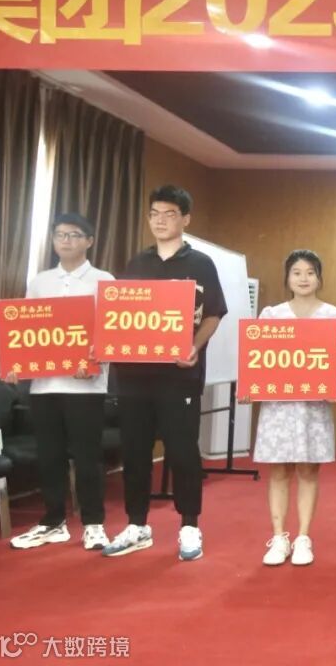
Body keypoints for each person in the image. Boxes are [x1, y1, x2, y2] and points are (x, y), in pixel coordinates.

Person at [103, 185, 227, 561]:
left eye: (169, 214)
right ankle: (137, 524)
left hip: (179, 376)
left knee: (182, 450)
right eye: (154, 213)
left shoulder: (201, 263)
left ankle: (189, 525)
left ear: (185, 219)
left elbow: (214, 314)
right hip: (134, 376)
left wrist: (195, 346)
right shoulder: (137, 263)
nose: (160, 220)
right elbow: (121, 317)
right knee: (135, 451)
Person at [4, 213, 114, 551]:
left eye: (74, 235)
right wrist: (15, 364)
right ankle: (54, 521)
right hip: (44, 386)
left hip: (85, 387)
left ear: (89, 241)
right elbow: (27, 330)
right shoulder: (40, 282)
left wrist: (96, 358)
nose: (66, 241)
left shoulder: (104, 280)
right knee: (49, 456)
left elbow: (111, 332)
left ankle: (94, 523)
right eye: (60, 235)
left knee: (87, 457)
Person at [247, 250, 336, 567]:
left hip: (313, 406)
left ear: (319, 278)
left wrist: (334, 384)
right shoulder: (271, 315)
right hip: (278, 407)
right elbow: (257, 357)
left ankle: (304, 537)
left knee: (308, 470)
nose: (303, 278)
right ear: (287, 278)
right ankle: (279, 537)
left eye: (310, 272)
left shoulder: (334, 315)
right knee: (279, 471)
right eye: (297, 272)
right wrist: (251, 386)